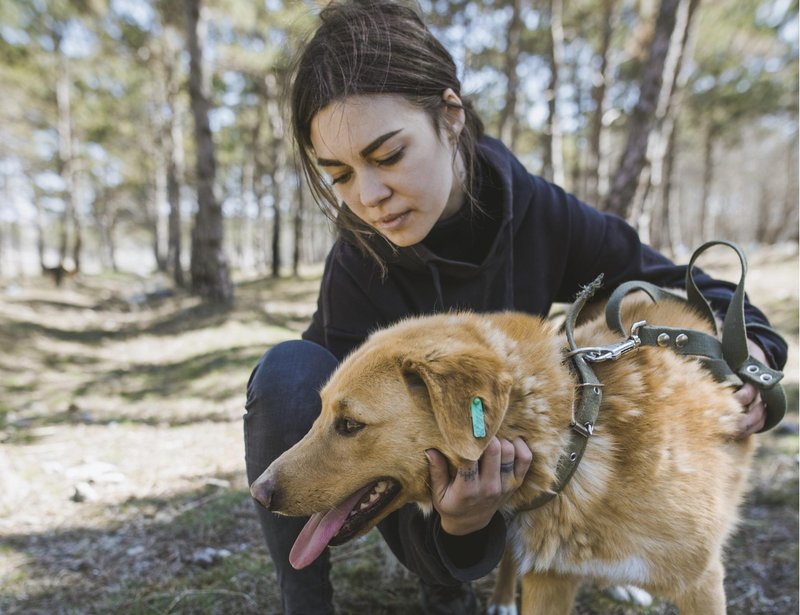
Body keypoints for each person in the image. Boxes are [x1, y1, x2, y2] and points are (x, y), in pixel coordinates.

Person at [243, 1, 787, 613]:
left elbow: (683, 284)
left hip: (505, 455)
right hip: (393, 464)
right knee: (287, 371)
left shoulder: (536, 211)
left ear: (450, 117)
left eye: (389, 156)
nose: (367, 197)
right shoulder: (357, 262)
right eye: (339, 174)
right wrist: (455, 529)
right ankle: (328, 596)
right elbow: (371, 457)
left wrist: (755, 359)